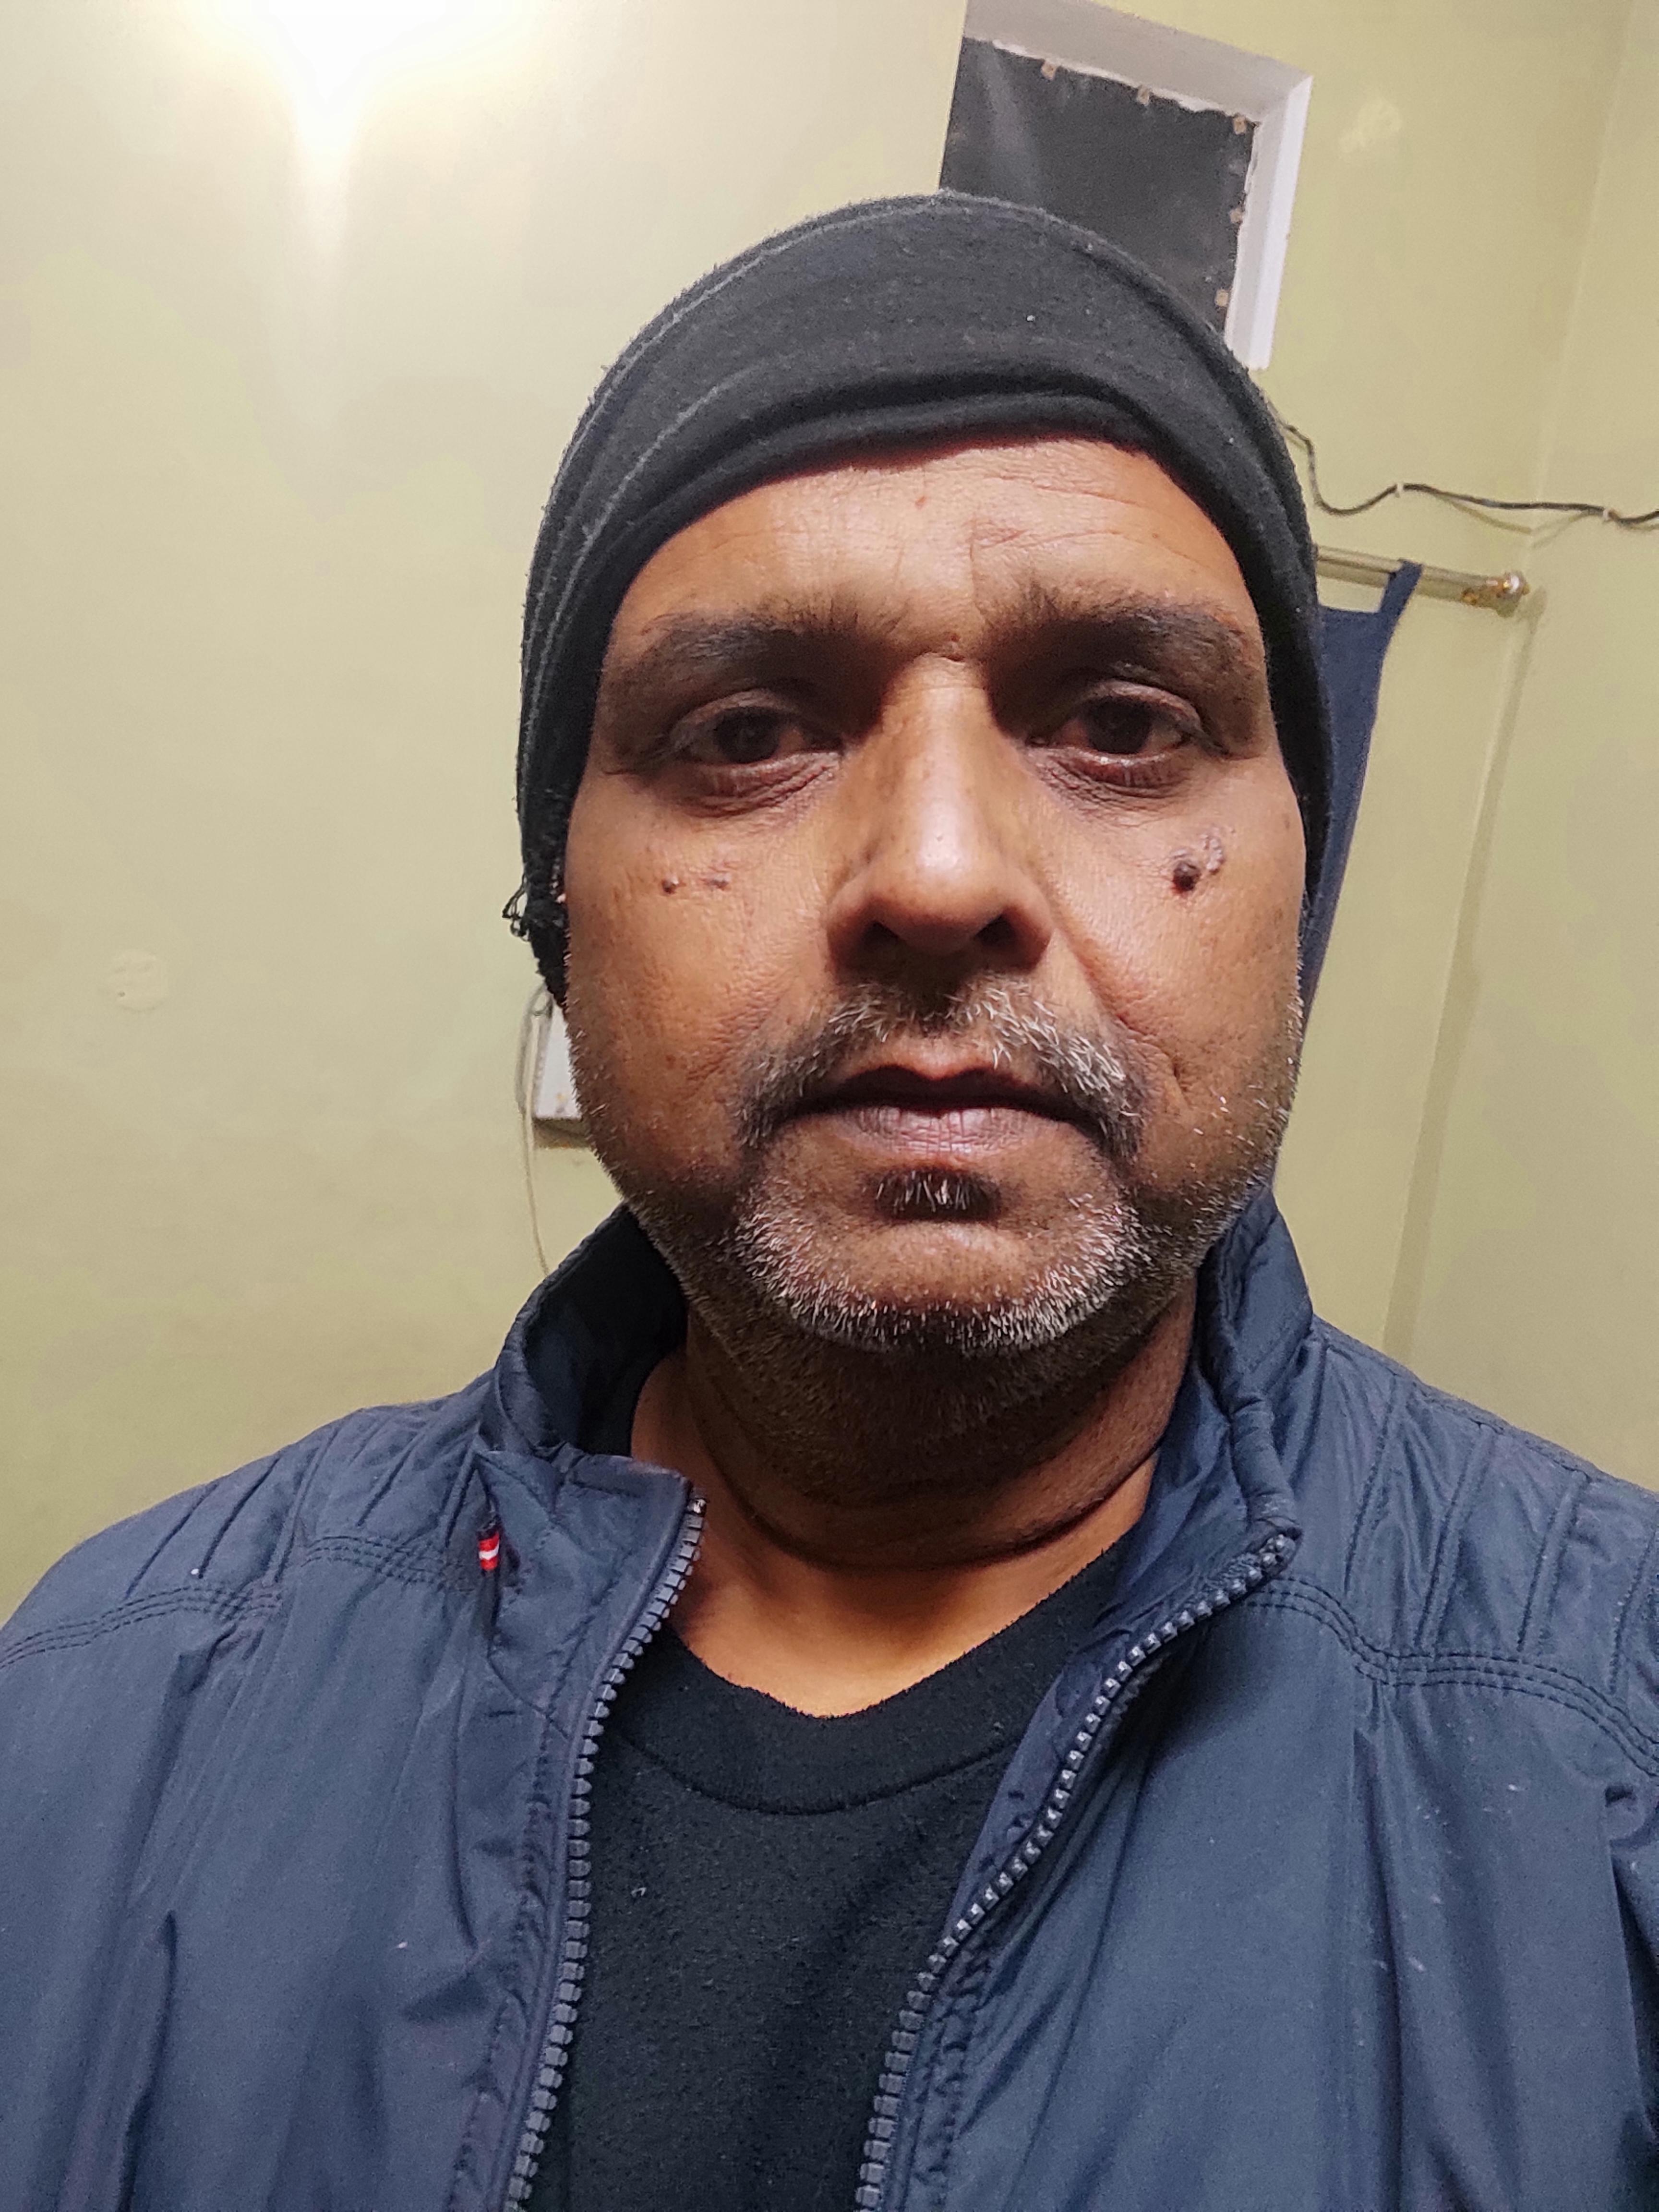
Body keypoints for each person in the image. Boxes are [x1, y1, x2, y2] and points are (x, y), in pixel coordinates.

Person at [2, 195, 1656, 2212]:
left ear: (1295, 890)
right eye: (751, 733)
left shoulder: (1618, 1767)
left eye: (1121, 726)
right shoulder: (97, 1719)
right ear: (558, 922)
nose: (939, 872)